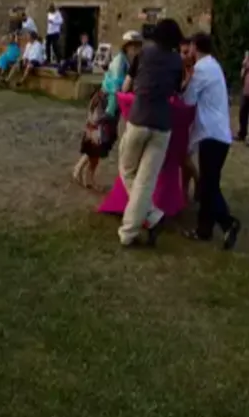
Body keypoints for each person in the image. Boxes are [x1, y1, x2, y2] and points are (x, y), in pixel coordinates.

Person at [117, 18, 185, 248]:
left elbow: (126, 85)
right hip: (163, 125)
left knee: (127, 170)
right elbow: (177, 90)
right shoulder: (177, 61)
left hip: (139, 119)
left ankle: (145, 221)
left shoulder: (143, 54)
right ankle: (140, 224)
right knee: (145, 181)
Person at [182, 33, 242, 250]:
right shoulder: (213, 65)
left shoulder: (202, 69)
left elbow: (188, 100)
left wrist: (186, 78)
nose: (188, 51)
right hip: (219, 134)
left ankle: (228, 223)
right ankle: (204, 230)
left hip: (212, 135)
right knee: (210, 184)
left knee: (208, 185)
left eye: (190, 47)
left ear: (195, 47)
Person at [73, 31, 143, 189]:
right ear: (127, 46)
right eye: (134, 46)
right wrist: (111, 111)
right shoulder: (120, 62)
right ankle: (89, 177)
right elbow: (115, 87)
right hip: (106, 104)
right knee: (98, 140)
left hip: (110, 103)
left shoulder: (127, 61)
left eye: (138, 46)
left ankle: (79, 169)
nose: (136, 49)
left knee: (97, 140)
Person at [179, 38, 199, 200]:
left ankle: (198, 180)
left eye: (187, 52)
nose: (184, 55)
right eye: (182, 52)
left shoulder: (197, 71)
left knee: (184, 156)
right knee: (183, 157)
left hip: (191, 117)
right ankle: (184, 191)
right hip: (180, 115)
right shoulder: (179, 69)